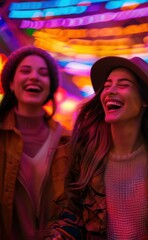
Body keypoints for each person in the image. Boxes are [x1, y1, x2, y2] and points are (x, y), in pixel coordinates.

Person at [44, 56, 148, 239]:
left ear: (145, 101)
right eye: (107, 86)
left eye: (123, 85)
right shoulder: (85, 157)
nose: (110, 92)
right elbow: (70, 214)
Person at [0, 46, 71, 240]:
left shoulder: (68, 141)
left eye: (43, 73)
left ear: (50, 88)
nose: (34, 77)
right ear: (11, 83)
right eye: (25, 71)